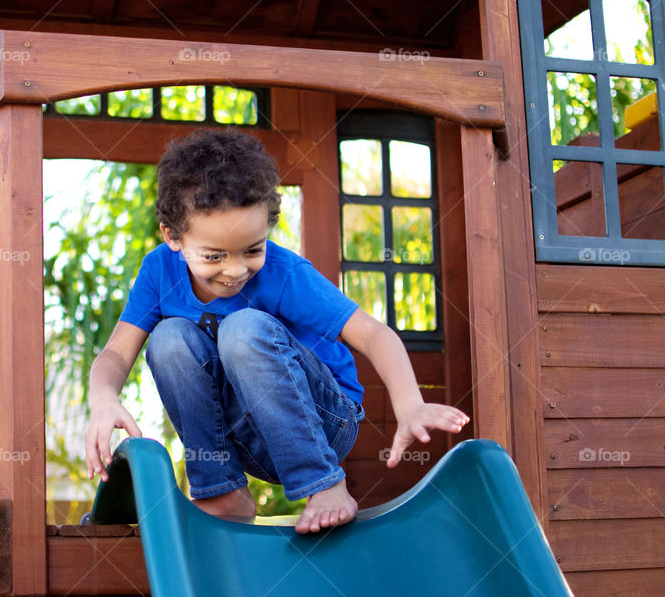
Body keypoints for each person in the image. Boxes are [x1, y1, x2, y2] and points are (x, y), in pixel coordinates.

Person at [85, 128, 470, 534]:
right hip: (242, 433)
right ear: (173, 237)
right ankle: (221, 491)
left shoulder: (284, 273)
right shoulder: (159, 271)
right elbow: (115, 353)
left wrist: (409, 405)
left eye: (252, 249)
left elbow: (373, 333)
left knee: (243, 329)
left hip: (323, 421)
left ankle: (324, 484)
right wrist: (103, 399)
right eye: (214, 255)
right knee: (167, 339)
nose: (235, 270)